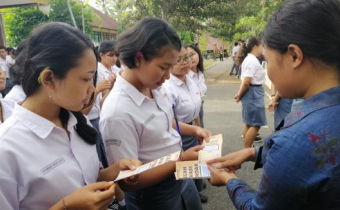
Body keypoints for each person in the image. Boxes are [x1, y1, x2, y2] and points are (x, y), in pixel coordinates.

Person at [208, 0, 340, 209]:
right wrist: (254, 152)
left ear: (294, 56)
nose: (268, 70)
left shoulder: (294, 140)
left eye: (268, 61)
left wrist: (229, 179)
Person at [0, 22, 141, 210]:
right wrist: (66, 206)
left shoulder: (76, 122)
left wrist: (116, 171)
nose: (92, 88)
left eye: (93, 78)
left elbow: (88, 180)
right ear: (49, 78)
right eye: (85, 79)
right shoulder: (7, 149)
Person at [100, 17, 210, 210]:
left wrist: (194, 131)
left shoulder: (155, 86)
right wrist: (181, 159)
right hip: (154, 194)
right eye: (163, 67)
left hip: (179, 174)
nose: (168, 76)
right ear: (138, 58)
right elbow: (127, 180)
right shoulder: (118, 111)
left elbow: (164, 124)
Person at [163, 46, 209, 205]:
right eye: (179, 60)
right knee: (185, 168)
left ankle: (196, 191)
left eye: (187, 58)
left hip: (192, 129)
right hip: (179, 131)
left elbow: (196, 107)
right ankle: (191, 194)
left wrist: (199, 128)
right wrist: (193, 130)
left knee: (197, 163)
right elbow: (168, 121)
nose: (185, 63)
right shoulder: (167, 86)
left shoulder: (190, 78)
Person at [234, 37, 266, 148]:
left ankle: (247, 148)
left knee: (248, 122)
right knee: (256, 123)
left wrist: (240, 94)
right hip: (253, 92)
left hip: (252, 91)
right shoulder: (252, 60)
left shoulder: (250, 59)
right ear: (255, 46)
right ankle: (247, 149)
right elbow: (247, 82)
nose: (263, 48)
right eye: (261, 45)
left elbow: (246, 82)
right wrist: (239, 94)